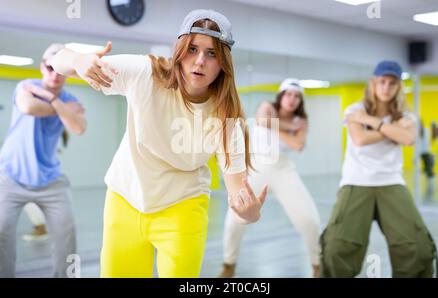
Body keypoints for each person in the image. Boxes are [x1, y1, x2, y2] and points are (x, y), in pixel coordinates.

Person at [51, 9, 268, 278]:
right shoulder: (146, 73)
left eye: (212, 53)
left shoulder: (227, 117)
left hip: (183, 208)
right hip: (125, 199)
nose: (200, 61)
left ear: (223, 62)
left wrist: (249, 213)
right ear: (179, 49)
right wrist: (79, 59)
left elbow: (239, 193)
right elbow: (57, 59)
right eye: (192, 49)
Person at [320, 61, 438, 278]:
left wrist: (370, 121)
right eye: (382, 82)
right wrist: (391, 130)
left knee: (416, 247)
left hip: (392, 181)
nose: (386, 87)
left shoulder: (406, 116)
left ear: (398, 87)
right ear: (373, 83)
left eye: (392, 83)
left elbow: (409, 138)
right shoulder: (355, 110)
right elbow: (360, 139)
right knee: (337, 247)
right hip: (357, 181)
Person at [219, 78, 321, 278]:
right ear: (281, 96)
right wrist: (287, 129)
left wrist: (275, 126)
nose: (292, 100)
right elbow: (262, 120)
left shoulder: (301, 121)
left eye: (296, 97)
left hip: (283, 169)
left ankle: (317, 266)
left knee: (309, 220)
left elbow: (298, 145)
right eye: (288, 94)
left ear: (300, 101)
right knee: (235, 218)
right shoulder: (267, 106)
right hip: (256, 167)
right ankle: (228, 265)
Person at [0, 44, 86, 277]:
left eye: (60, 69)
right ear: (42, 67)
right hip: (10, 177)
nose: (54, 74)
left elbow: (78, 127)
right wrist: (62, 108)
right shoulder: (25, 87)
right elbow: (28, 107)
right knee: (2, 235)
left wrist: (51, 100)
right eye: (49, 67)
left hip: (50, 182)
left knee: (67, 236)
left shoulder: (71, 98)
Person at [22, 130, 71, 241]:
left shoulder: (51, 132)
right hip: (45, 173)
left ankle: (41, 228)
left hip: (41, 173)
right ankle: (43, 227)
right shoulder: (57, 133)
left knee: (29, 200)